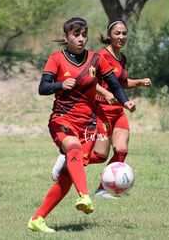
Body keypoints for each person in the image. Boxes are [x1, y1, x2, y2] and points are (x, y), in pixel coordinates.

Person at [27, 17, 136, 233]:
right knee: (74, 149)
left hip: (87, 124)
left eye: (84, 35)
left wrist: (126, 101)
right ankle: (85, 196)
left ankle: (37, 219)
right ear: (66, 37)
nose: (81, 39)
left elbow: (114, 84)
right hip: (62, 119)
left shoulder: (96, 60)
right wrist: (60, 84)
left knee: (67, 178)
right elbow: (42, 87)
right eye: (76, 35)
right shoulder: (56, 59)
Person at [50, 20, 151, 198]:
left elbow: (119, 83)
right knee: (100, 154)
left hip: (117, 110)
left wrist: (139, 83)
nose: (121, 37)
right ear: (109, 36)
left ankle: (103, 189)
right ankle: (68, 160)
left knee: (121, 151)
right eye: (117, 33)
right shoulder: (100, 56)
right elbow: (87, 81)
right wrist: (104, 93)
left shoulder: (122, 58)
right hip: (101, 110)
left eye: (124, 33)